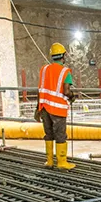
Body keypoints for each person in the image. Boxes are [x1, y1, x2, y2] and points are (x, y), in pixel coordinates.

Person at [38, 42, 76, 170]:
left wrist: (37, 109)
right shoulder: (65, 72)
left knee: (48, 134)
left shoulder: (44, 70)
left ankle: (49, 161)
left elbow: (41, 89)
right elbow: (66, 91)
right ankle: (61, 162)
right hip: (57, 109)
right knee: (60, 135)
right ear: (63, 56)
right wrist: (72, 96)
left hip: (44, 108)